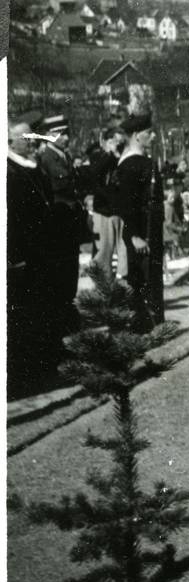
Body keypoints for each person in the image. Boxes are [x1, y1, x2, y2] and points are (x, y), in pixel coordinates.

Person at [7, 112, 60, 395]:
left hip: (43, 252)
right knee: (23, 317)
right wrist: (15, 256)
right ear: (10, 140)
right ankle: (26, 375)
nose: (31, 143)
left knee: (42, 311)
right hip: (23, 255)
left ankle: (43, 368)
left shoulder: (34, 167)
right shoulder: (9, 171)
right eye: (25, 138)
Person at [37, 113, 88, 336]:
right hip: (60, 225)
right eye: (61, 134)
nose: (66, 138)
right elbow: (61, 189)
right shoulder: (48, 158)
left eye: (67, 133)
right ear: (48, 136)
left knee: (71, 273)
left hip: (70, 223)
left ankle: (68, 319)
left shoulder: (63, 156)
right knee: (63, 276)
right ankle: (64, 323)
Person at [116, 113, 164, 330]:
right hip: (139, 232)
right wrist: (135, 235)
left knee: (153, 278)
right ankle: (143, 328)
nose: (153, 136)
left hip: (151, 229)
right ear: (136, 136)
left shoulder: (146, 161)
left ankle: (155, 326)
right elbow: (127, 205)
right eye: (148, 133)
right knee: (140, 281)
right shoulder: (130, 164)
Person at [88, 127, 130, 278]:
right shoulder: (97, 154)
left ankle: (122, 280)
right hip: (104, 210)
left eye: (121, 142)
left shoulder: (122, 156)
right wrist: (111, 154)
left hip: (119, 209)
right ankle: (102, 285)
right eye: (115, 141)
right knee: (105, 250)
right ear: (106, 141)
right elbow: (95, 174)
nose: (118, 144)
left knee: (124, 247)